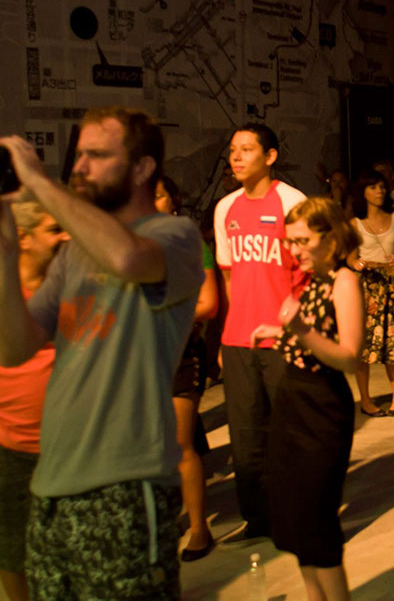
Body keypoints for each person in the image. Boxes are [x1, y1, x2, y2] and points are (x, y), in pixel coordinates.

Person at [0, 108, 203, 599]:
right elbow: (15, 348)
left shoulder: (174, 236)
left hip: (126, 486)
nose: (79, 167)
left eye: (96, 155)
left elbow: (129, 259)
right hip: (52, 486)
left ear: (142, 168)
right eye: (78, 155)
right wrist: (5, 251)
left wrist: (38, 183)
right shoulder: (73, 253)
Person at [251, 197, 364, 601]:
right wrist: (281, 331)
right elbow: (316, 333)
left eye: (301, 240)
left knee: (317, 525)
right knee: (296, 522)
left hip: (322, 409)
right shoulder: (316, 277)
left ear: (331, 238)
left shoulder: (345, 281)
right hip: (293, 403)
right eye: (289, 241)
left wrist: (299, 329)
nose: (292, 250)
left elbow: (349, 356)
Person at [214, 123, 306, 541]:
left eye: (247, 149)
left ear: (270, 157)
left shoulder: (293, 202)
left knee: (289, 432)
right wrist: (228, 333)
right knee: (245, 436)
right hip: (239, 340)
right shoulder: (225, 208)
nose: (236, 157)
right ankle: (257, 518)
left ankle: (297, 514)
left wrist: (300, 333)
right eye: (233, 149)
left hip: (284, 340)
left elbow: (309, 274)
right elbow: (229, 276)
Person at [0, 195, 65, 601]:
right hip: (11, 449)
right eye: (53, 229)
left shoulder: (73, 287)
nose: (65, 238)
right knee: (12, 553)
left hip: (70, 448)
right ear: (23, 237)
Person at [154, 177, 220, 562]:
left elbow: (208, 303)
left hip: (179, 354)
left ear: (173, 200)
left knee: (180, 445)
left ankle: (199, 528)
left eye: (158, 195)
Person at [350, 170, 394, 417]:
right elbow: (349, 257)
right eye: (373, 187)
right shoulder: (355, 224)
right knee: (363, 348)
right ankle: (365, 399)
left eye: (382, 187)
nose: (380, 191)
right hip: (365, 289)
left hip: (390, 287)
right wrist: (357, 263)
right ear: (363, 192)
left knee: (392, 345)